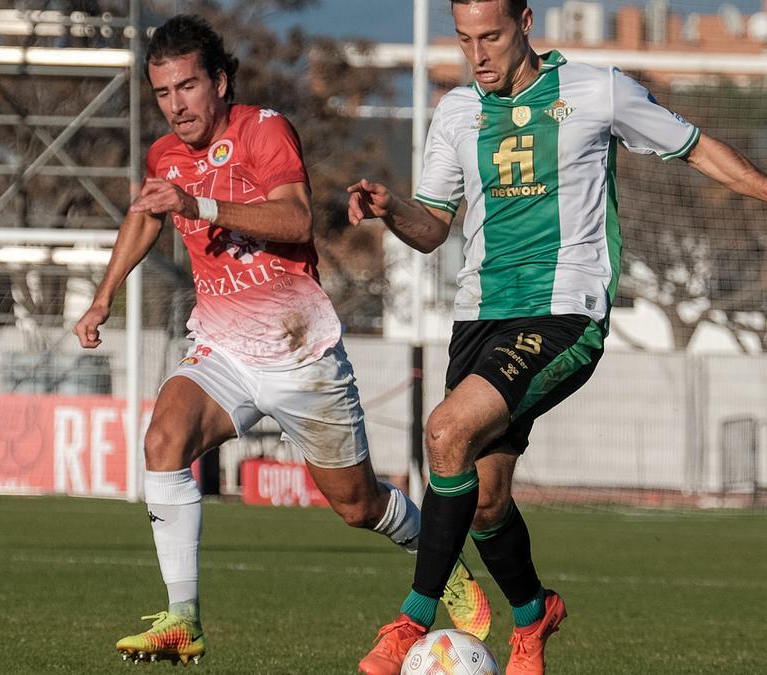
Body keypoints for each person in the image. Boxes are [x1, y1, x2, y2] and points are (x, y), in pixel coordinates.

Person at [349, 2, 767, 673]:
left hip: (566, 310)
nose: (477, 54)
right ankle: (533, 618)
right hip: (479, 317)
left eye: (492, 37)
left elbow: (696, 145)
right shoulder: (455, 113)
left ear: (526, 22)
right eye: (465, 39)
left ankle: (408, 624)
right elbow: (433, 229)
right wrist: (393, 211)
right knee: (486, 499)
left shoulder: (598, 89)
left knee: (446, 432)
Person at [72, 15, 491, 665]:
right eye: (162, 93)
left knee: (358, 504)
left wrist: (198, 205)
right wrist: (104, 294)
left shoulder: (263, 130)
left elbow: (296, 218)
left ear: (218, 80)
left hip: (301, 352)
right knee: (163, 439)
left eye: (187, 87)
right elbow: (145, 214)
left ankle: (444, 562)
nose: (176, 105)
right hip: (223, 348)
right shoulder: (165, 157)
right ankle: (184, 618)